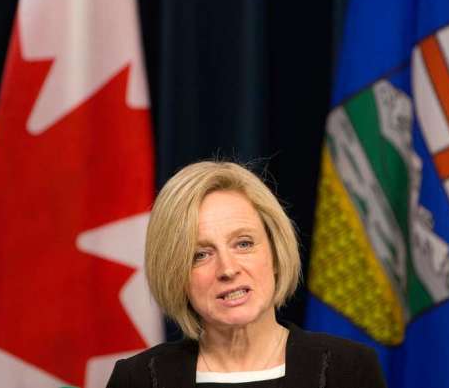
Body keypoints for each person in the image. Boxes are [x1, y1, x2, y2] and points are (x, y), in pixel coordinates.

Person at [106, 161, 386, 388]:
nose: (227, 269)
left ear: (275, 253)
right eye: (200, 255)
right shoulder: (137, 379)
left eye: (243, 244)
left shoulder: (349, 370)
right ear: (176, 275)